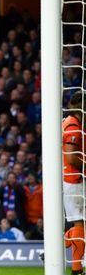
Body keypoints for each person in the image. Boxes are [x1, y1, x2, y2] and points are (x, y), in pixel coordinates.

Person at [63, 91, 85, 275]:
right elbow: (71, 157)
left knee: (80, 223)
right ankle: (77, 268)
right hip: (73, 179)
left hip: (70, 179)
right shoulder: (72, 126)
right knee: (79, 223)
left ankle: (78, 268)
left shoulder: (70, 122)